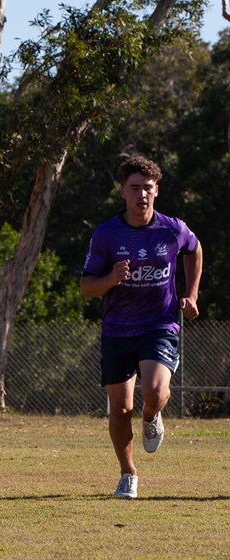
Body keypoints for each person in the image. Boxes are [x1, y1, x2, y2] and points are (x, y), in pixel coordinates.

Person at [80, 154, 202, 499]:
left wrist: (192, 293)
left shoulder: (172, 229)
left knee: (155, 393)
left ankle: (151, 416)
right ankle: (128, 474)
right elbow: (87, 287)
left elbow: (194, 249)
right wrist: (110, 278)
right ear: (123, 192)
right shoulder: (106, 235)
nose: (142, 194)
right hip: (118, 329)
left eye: (147, 188)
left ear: (157, 190)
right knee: (120, 409)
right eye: (134, 188)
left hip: (159, 324)